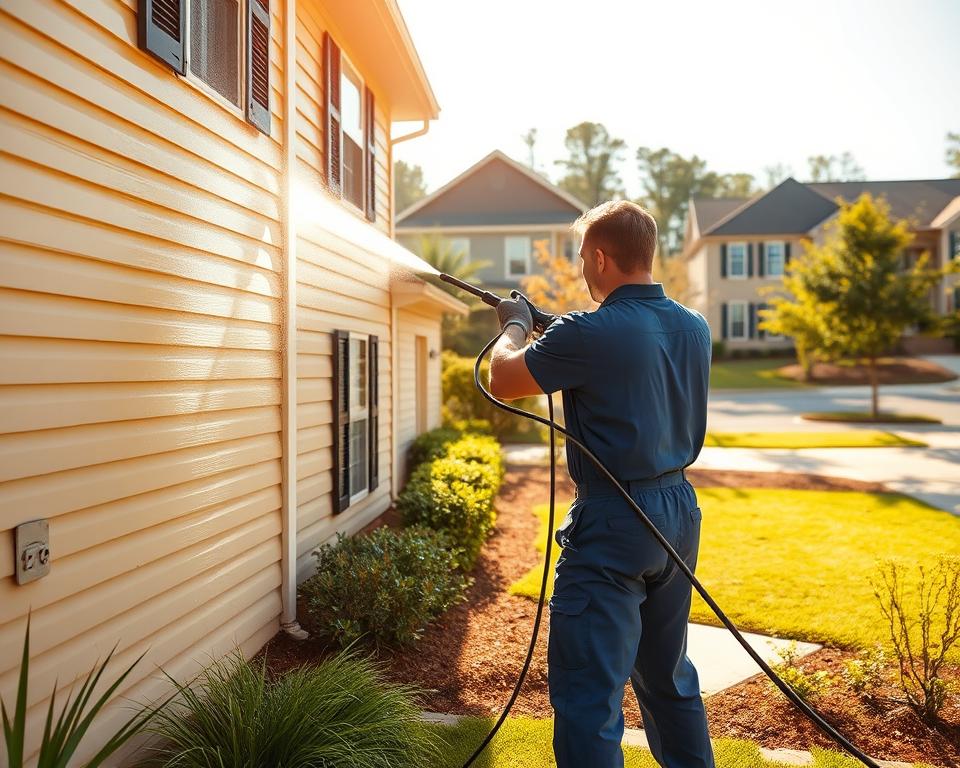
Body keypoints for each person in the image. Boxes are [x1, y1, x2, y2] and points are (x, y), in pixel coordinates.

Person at [488, 200, 714, 768]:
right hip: (677, 516)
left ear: (599, 256)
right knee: (669, 679)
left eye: (584, 258)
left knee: (590, 696)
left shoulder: (589, 333)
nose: (583, 269)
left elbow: (503, 377)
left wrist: (516, 325)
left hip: (614, 521)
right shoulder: (693, 327)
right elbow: (622, 350)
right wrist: (553, 328)